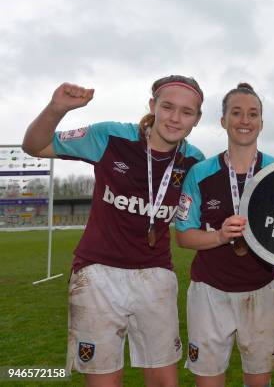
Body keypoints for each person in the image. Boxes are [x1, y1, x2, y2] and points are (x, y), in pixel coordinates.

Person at [22, 76, 205, 387]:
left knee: (164, 380)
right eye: (168, 107)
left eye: (187, 112)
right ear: (153, 106)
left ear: (197, 119)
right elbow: (35, 146)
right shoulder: (110, 136)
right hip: (97, 274)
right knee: (103, 381)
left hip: (156, 274)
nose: (175, 118)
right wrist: (56, 109)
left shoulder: (194, 161)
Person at [175, 83, 274, 387]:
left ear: (261, 122)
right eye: (236, 113)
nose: (245, 120)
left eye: (253, 114)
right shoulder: (201, 172)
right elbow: (184, 236)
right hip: (209, 292)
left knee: (259, 382)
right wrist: (220, 236)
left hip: (260, 291)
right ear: (223, 121)